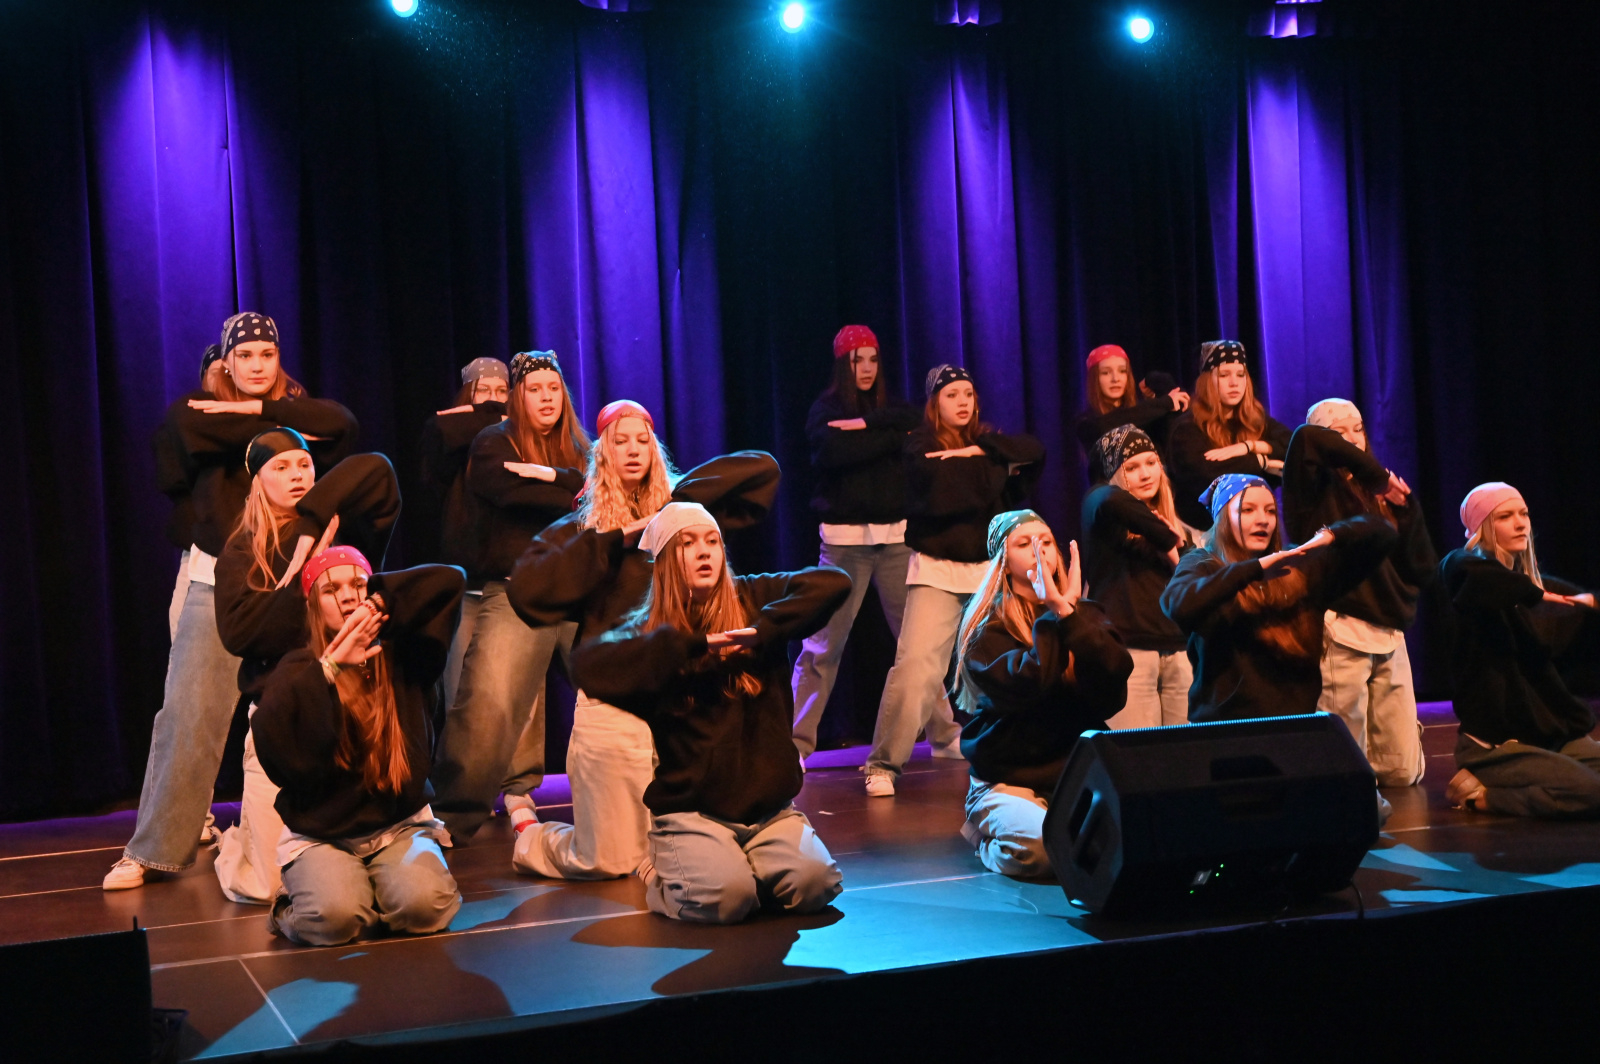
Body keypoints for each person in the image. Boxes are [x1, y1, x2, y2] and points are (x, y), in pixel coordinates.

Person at [106, 313, 357, 891]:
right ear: (226, 361)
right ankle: (154, 849)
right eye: (245, 356)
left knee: (304, 707)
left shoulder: (289, 408)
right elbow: (190, 436)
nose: (257, 365)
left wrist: (256, 411)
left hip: (291, 578)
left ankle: (314, 837)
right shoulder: (197, 409)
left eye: (267, 355)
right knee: (189, 714)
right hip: (218, 577)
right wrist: (277, 420)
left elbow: (342, 425)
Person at [505, 400, 780, 880]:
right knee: (612, 860)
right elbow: (527, 588)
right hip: (616, 702)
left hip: (684, 697)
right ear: (602, 454)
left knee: (681, 846)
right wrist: (621, 537)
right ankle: (532, 837)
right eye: (620, 441)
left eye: (642, 441)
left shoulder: (680, 518)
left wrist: (672, 504)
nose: (633, 450)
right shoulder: (585, 528)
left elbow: (762, 470)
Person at [571, 503, 851, 924]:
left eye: (712, 542)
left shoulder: (753, 598)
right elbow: (588, 665)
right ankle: (660, 875)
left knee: (815, 886)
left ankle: (742, 866)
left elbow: (834, 582)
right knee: (726, 900)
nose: (704, 552)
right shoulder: (654, 636)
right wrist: (694, 645)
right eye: (688, 543)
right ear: (667, 560)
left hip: (768, 813)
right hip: (693, 813)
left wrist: (762, 632)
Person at [209, 432, 401, 904]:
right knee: (270, 888)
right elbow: (241, 634)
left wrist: (313, 522)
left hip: (355, 708)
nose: (297, 475)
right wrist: (306, 572)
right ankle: (232, 848)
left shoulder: (342, 526)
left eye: (304, 465)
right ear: (258, 480)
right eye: (281, 467)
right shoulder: (242, 550)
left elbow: (378, 470)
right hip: (285, 715)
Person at [254, 547, 466, 946]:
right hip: (324, 834)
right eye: (331, 589)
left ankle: (379, 893)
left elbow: (450, 579)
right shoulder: (299, 668)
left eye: (358, 585)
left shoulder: (404, 654)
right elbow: (276, 746)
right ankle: (289, 907)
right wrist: (331, 669)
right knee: (336, 921)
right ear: (314, 606)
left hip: (397, 826)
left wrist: (381, 602)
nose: (349, 596)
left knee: (425, 910)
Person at [862, 364, 1044, 796]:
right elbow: (943, 495)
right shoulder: (919, 444)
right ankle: (882, 764)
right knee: (916, 671)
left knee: (1009, 666)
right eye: (951, 395)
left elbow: (1035, 451)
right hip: (938, 571)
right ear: (935, 403)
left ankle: (1017, 754)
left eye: (968, 394)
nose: (962, 402)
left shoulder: (989, 440)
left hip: (987, 574)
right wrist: (992, 467)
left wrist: (978, 453)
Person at [431, 351, 588, 846]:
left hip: (580, 589)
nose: (546, 398)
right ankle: (451, 817)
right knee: (489, 704)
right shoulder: (493, 440)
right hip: (518, 588)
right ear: (518, 398)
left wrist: (550, 476)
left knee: (624, 687)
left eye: (553, 388)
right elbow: (508, 491)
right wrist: (568, 488)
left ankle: (658, 800)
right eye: (535, 389)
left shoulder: (579, 446)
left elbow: (599, 494)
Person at [954, 510, 1132, 877]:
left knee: (1127, 842)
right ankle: (984, 839)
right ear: (1004, 563)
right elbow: (1029, 685)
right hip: (1008, 779)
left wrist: (1070, 615)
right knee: (1046, 852)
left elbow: (1112, 690)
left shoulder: (1082, 614)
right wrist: (1056, 615)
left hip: (1072, 775)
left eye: (1047, 541)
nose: (1040, 549)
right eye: (1025, 543)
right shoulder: (987, 626)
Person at [1283, 399, 1436, 787]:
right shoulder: (1312, 488)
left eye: (1358, 429)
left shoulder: (1378, 493)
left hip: (1389, 629)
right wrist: (1375, 475)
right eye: (1339, 433)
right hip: (1342, 626)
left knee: (1402, 771)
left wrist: (1407, 511)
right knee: (1346, 769)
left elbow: (1421, 568)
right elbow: (1307, 437)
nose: (1352, 439)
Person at [1160, 474, 1395, 724]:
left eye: (1270, 511)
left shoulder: (1296, 567)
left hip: (1294, 728)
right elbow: (1178, 604)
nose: (1263, 519)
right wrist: (1256, 569)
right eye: (1248, 510)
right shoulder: (1204, 564)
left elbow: (1383, 534)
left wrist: (1331, 535)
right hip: (1227, 730)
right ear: (1223, 518)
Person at [791, 325, 922, 759]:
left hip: (896, 539)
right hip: (845, 543)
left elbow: (915, 423)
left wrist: (866, 425)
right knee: (823, 646)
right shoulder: (825, 408)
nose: (866, 368)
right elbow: (833, 453)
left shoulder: (892, 408)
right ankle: (795, 745)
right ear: (842, 365)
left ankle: (944, 734)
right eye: (856, 360)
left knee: (917, 642)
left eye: (872, 359)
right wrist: (888, 439)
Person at [1440, 483, 1600, 819]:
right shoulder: (1466, 572)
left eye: (1524, 514)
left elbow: (1572, 602)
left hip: (1549, 735)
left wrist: (1586, 602)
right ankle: (1482, 797)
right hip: (1498, 746)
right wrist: (1536, 598)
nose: (1520, 524)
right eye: (1504, 516)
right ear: (1482, 527)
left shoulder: (1529, 583)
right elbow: (1473, 573)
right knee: (1591, 792)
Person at [1081, 426, 1201, 729]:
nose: (1146, 474)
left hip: (1178, 650)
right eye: (1131, 468)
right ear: (1113, 474)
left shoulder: (1178, 529)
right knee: (1137, 751)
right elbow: (1108, 498)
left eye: (1151, 463)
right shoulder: (1102, 511)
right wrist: (1165, 538)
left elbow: (1196, 583)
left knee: (1186, 749)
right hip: (1129, 650)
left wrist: (1177, 548)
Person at [1166, 341, 1291, 530]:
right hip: (1205, 530)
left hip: (1253, 525)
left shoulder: (1254, 418)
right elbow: (1207, 475)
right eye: (1224, 375)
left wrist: (1248, 446)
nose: (1234, 383)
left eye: (1240, 375)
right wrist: (1261, 462)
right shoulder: (1187, 426)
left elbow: (1292, 444)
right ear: (1208, 381)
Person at [1074, 344, 1189, 474]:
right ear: (1094, 379)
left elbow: (1181, 402)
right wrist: (1164, 403)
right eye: (1105, 373)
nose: (1115, 379)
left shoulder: (1143, 414)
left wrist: (1153, 379)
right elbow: (1112, 423)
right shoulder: (1086, 421)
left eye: (1122, 371)